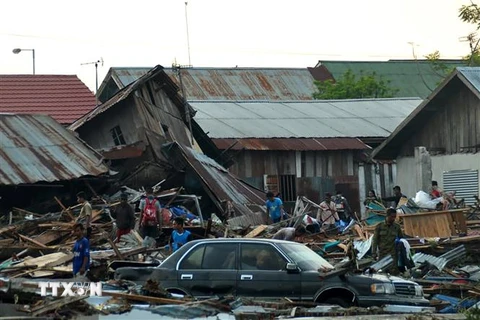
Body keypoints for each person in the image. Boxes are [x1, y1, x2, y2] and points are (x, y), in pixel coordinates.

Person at [372, 208, 403, 273]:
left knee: (393, 273)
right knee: (381, 272)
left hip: (393, 254)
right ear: (387, 216)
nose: (393, 219)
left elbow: (401, 239)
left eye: (395, 217)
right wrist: (374, 253)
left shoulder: (396, 227)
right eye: (392, 217)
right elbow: (375, 240)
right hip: (382, 254)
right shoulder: (379, 226)